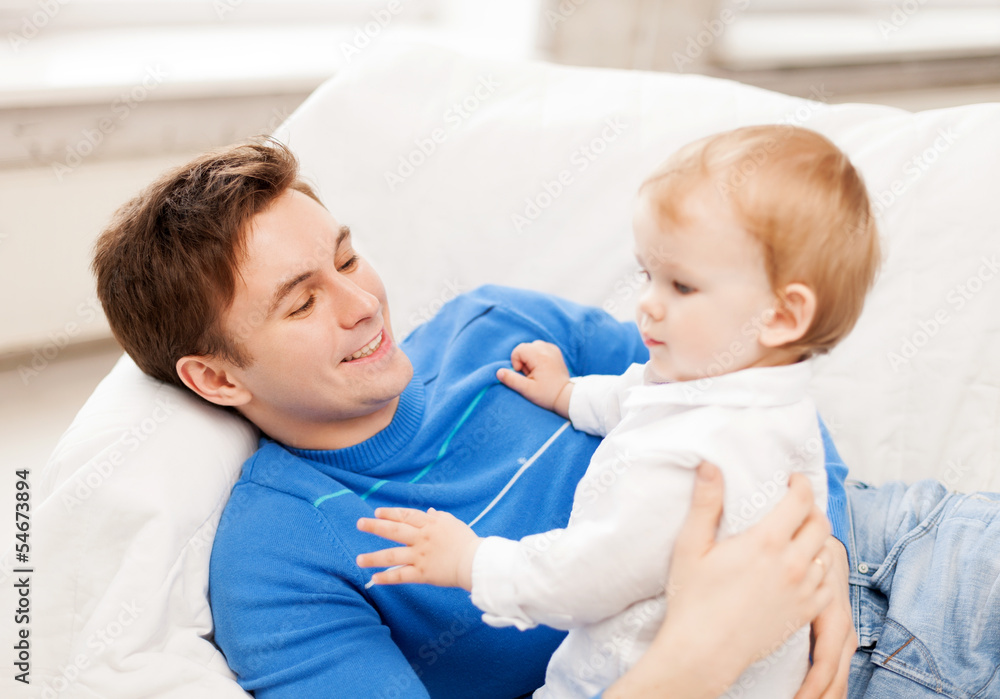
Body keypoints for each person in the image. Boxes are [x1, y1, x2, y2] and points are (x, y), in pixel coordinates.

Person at [91, 136, 996, 699]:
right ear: (214, 378)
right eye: (301, 303)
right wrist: (698, 658)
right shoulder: (276, 558)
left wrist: (824, 555)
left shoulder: (503, 326)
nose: (363, 304)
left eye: (349, 257)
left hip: (904, 542)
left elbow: (749, 381)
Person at [354, 125, 879, 698]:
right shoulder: (752, 389)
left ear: (781, 315)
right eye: (648, 275)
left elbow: (588, 576)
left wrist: (472, 562)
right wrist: (565, 393)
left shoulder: (689, 462)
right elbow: (641, 394)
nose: (647, 305)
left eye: (681, 285)